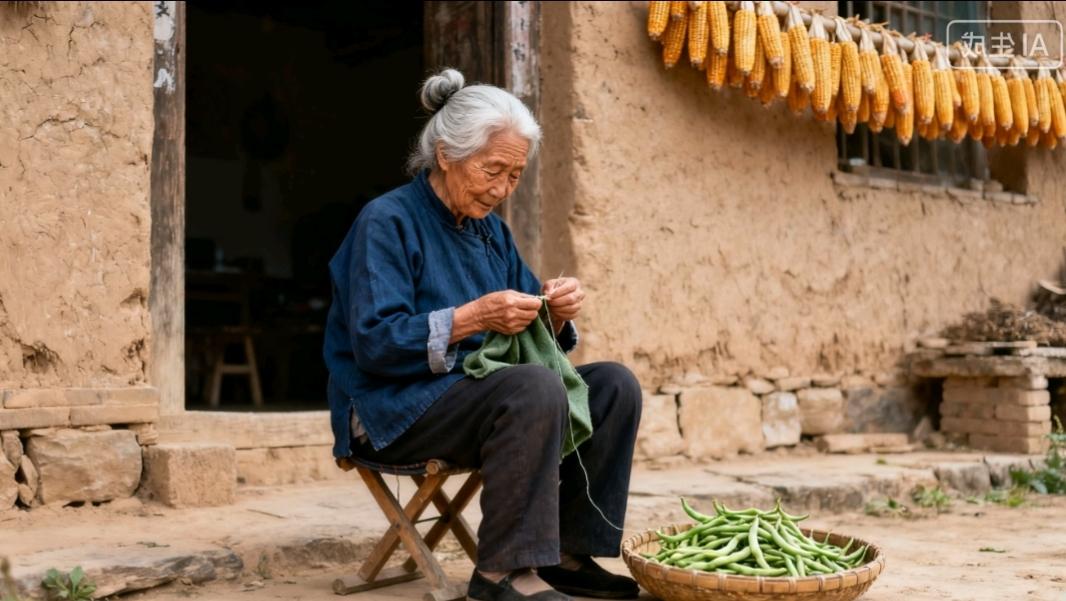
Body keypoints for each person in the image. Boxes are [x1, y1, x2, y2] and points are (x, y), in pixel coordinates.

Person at [323, 68, 642, 601]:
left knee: (613, 385)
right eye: (492, 170)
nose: (501, 189)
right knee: (531, 388)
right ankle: (501, 575)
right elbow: (376, 344)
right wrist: (472, 317)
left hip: (477, 395)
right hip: (391, 406)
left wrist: (555, 312)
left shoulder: (490, 230)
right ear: (446, 154)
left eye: (515, 175)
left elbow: (530, 328)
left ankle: (565, 554)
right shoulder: (387, 222)